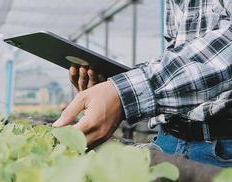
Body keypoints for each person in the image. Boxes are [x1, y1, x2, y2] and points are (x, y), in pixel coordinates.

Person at [53, 0, 232, 168]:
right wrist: (111, 87)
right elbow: (180, 51)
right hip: (167, 139)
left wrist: (125, 92)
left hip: (223, 146)